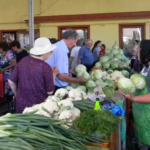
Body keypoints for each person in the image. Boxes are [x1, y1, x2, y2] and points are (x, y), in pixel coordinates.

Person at [8, 37, 59, 113]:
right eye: (50, 51)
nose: (51, 53)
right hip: (38, 108)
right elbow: (50, 91)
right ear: (44, 52)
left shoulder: (23, 61)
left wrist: (17, 94)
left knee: (22, 124)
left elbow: (11, 81)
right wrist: (54, 74)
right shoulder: (45, 67)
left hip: (21, 105)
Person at [119, 40, 150, 149]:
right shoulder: (146, 67)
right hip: (141, 115)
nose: (136, 54)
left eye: (138, 51)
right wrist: (122, 83)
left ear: (146, 52)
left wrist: (134, 99)